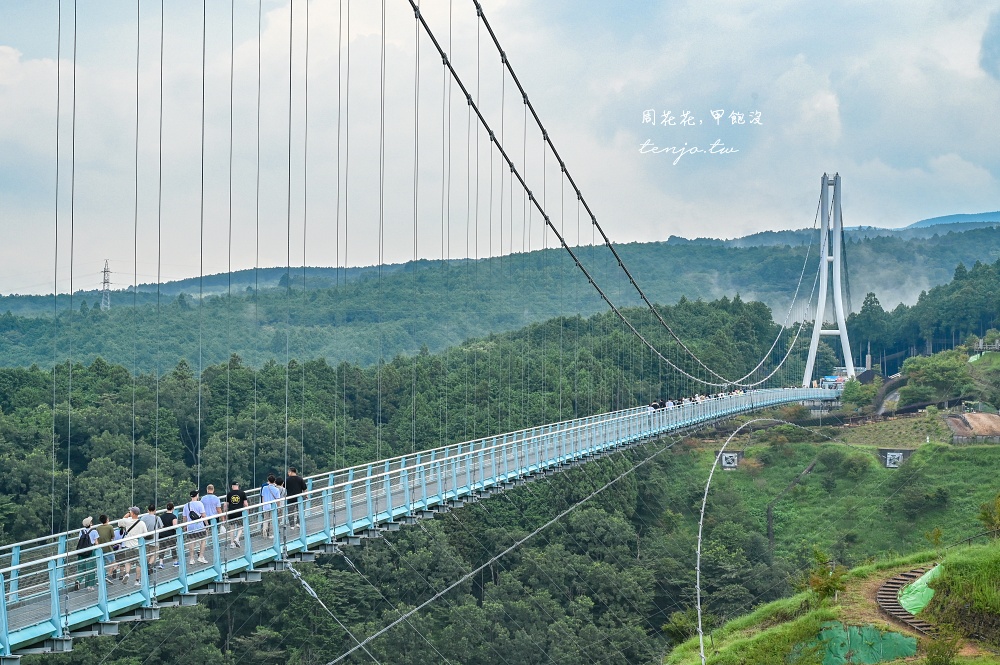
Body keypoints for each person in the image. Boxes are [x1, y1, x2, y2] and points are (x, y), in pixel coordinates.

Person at [117, 507, 148, 586]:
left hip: (128, 545)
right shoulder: (142, 523)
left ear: (133, 513)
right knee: (139, 564)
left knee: (128, 561)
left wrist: (126, 515)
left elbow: (120, 523)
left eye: (130, 512)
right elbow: (146, 534)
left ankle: (127, 573)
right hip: (138, 546)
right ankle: (137, 580)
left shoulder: (127, 521)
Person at [182, 490, 209, 566]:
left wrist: (185, 526)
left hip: (190, 527)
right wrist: (207, 524)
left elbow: (184, 517)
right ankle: (201, 556)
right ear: (196, 496)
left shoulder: (186, 505)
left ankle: (191, 559)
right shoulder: (200, 504)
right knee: (203, 540)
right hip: (199, 526)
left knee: (191, 542)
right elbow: (203, 515)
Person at [74, 516, 98, 591]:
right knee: (90, 568)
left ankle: (78, 580)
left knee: (81, 568)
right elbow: (96, 542)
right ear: (90, 523)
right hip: (90, 552)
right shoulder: (94, 531)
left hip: (81, 552)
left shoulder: (81, 531)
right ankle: (89, 586)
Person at [224, 480, 249, 548]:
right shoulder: (242, 493)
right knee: (240, 527)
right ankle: (237, 538)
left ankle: (232, 543)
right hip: (239, 513)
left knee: (231, 528)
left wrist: (225, 513)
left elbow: (225, 505)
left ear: (232, 486)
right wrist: (247, 511)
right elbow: (245, 504)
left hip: (231, 513)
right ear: (238, 486)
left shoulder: (229, 494)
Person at [139, 504, 164, 570]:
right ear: (155, 510)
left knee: (146, 554)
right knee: (155, 553)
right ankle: (150, 564)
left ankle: (147, 568)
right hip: (154, 539)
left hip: (145, 540)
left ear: (148, 510)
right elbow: (161, 527)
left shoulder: (143, 518)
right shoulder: (157, 518)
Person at [95, 514, 116, 582]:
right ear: (107, 520)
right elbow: (113, 536)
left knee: (102, 563)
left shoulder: (98, 528)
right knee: (113, 562)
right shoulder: (110, 527)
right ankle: (108, 575)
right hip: (108, 548)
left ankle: (103, 576)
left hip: (100, 548)